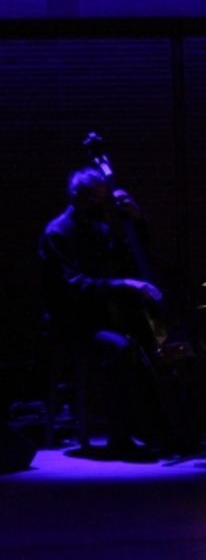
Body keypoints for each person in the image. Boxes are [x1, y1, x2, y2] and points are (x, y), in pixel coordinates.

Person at [38, 168, 162, 460]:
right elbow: (75, 286)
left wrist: (137, 219)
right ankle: (119, 438)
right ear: (80, 197)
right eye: (97, 198)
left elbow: (124, 258)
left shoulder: (97, 228)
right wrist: (124, 285)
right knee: (119, 350)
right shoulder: (57, 232)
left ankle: (151, 428)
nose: (102, 205)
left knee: (140, 346)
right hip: (69, 323)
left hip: (97, 318)